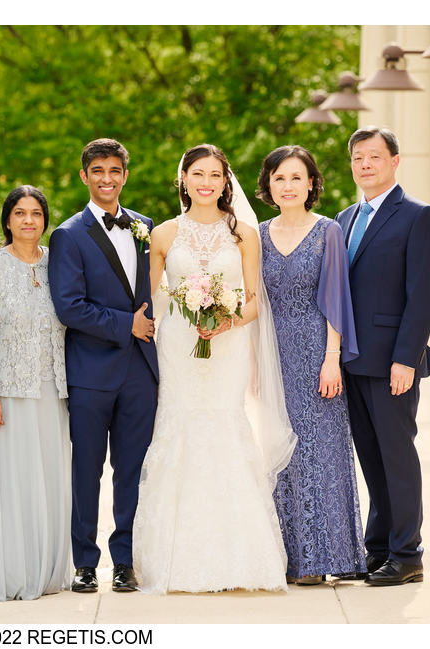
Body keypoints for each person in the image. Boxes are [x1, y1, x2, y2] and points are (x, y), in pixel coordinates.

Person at [132, 143, 296, 594]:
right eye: (197, 174)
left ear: (226, 182)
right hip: (180, 345)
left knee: (225, 428)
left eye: (215, 175)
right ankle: (173, 558)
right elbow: (150, 300)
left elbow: (255, 301)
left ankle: (240, 558)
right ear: (182, 179)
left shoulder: (244, 232)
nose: (206, 183)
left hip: (226, 346)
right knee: (178, 428)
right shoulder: (162, 234)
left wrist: (226, 320)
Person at [48, 138, 158, 593]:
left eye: (115, 170)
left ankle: (125, 560)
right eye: (98, 171)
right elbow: (68, 307)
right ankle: (84, 562)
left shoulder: (146, 227)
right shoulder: (68, 235)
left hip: (140, 372)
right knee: (87, 471)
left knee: (133, 470)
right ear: (84, 177)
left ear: (125, 175)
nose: (107, 179)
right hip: (91, 372)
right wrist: (125, 324)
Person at [335, 127, 430, 586]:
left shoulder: (418, 216)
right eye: (358, 158)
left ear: (394, 161)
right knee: (371, 457)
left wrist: (406, 358)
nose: (365, 165)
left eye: (374, 157)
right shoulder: (343, 218)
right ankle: (378, 550)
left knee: (397, 457)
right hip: (352, 360)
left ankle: (407, 554)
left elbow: (424, 295)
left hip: (392, 361)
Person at [255, 145, 366, 585]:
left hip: (318, 353)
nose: (287, 186)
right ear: (268, 185)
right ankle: (286, 557)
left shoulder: (328, 231)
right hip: (270, 352)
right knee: (280, 453)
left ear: (311, 184)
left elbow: (337, 298)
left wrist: (332, 359)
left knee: (321, 452)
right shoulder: (256, 234)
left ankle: (325, 557)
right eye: (279, 178)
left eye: (296, 178)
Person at [0, 186, 71, 602]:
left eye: (36, 214)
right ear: (7, 221)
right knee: (8, 483)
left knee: (45, 480)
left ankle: (45, 570)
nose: (28, 221)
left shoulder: (59, 264)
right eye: (19, 213)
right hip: (4, 392)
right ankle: (6, 572)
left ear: (45, 220)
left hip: (51, 392)